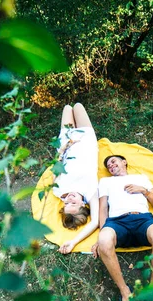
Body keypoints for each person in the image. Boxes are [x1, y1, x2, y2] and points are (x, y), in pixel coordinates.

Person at [91, 155, 153, 301]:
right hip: (117, 222)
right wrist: (101, 233)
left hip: (142, 219)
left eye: (113, 161)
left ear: (125, 162)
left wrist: (144, 191)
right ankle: (125, 292)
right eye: (108, 164)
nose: (110, 165)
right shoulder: (105, 181)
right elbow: (103, 208)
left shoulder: (141, 178)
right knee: (104, 241)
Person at [52, 103, 99, 255]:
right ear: (83, 205)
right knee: (78, 106)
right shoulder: (90, 191)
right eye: (74, 203)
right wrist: (73, 242)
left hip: (67, 142)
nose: (69, 199)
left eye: (67, 203)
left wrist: (62, 149)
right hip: (86, 140)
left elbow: (56, 165)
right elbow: (96, 221)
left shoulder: (58, 190)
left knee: (66, 107)